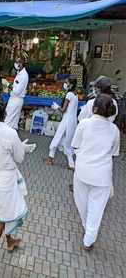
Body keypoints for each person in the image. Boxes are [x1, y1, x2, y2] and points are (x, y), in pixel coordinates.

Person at [0, 97, 36, 271]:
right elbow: (19, 158)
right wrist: (22, 147)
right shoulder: (10, 132)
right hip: (5, 179)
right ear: (5, 112)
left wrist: (18, 146)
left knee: (9, 210)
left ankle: (10, 240)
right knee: (2, 218)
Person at [72, 94, 119, 251]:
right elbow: (114, 152)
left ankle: (88, 229)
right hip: (103, 176)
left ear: (94, 108)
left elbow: (75, 145)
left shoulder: (84, 124)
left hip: (82, 172)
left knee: (82, 204)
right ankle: (88, 240)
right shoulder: (114, 130)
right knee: (96, 209)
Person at [46, 79, 79, 170]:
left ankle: (50, 158)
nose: (65, 84)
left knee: (57, 137)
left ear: (71, 85)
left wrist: (56, 107)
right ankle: (71, 164)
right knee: (68, 142)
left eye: (67, 83)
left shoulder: (69, 95)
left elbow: (63, 110)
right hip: (73, 121)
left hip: (66, 120)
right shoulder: (76, 95)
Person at [4, 56, 29, 130]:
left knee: (8, 121)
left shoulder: (23, 75)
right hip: (14, 99)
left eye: (17, 62)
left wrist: (8, 85)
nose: (16, 64)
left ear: (21, 64)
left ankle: (4, 138)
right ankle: (11, 139)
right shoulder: (19, 73)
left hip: (16, 100)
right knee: (13, 123)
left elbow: (17, 91)